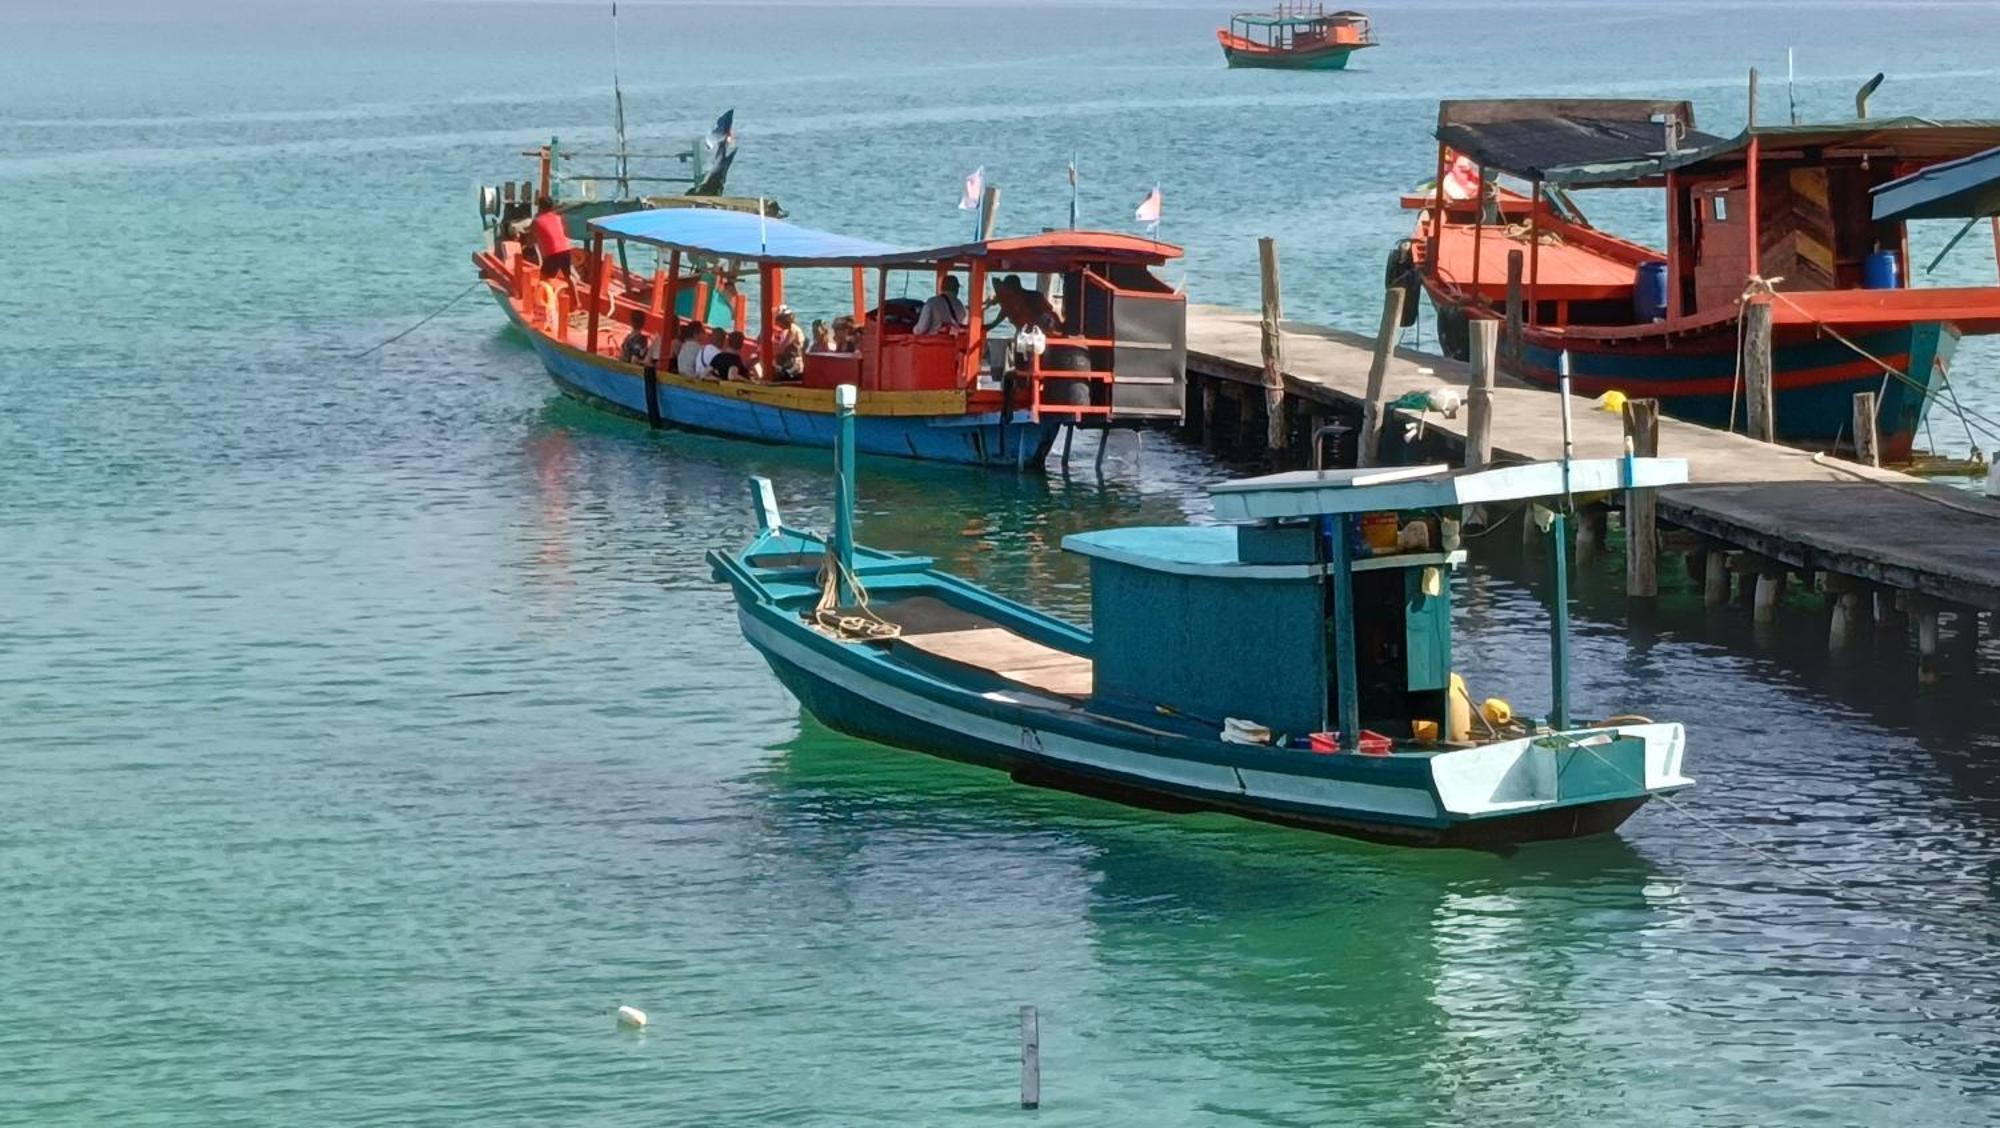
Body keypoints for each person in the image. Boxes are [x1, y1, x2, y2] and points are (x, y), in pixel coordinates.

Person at [986, 274, 1060, 333]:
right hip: (1022, 335)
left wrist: (1046, 326)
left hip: (1040, 334)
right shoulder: (1008, 305)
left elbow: (1050, 316)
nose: (1005, 294)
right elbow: (994, 323)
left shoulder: (1035, 298)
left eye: (1007, 290)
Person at [526, 196, 574, 283]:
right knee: (569, 277)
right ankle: (575, 296)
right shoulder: (558, 218)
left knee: (543, 279)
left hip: (553, 254)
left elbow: (529, 241)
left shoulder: (537, 221)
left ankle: (544, 295)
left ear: (539, 207)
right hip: (566, 250)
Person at [771, 306, 806, 379]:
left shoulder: (793, 330)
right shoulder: (789, 330)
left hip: (794, 364)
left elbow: (782, 348)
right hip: (790, 362)